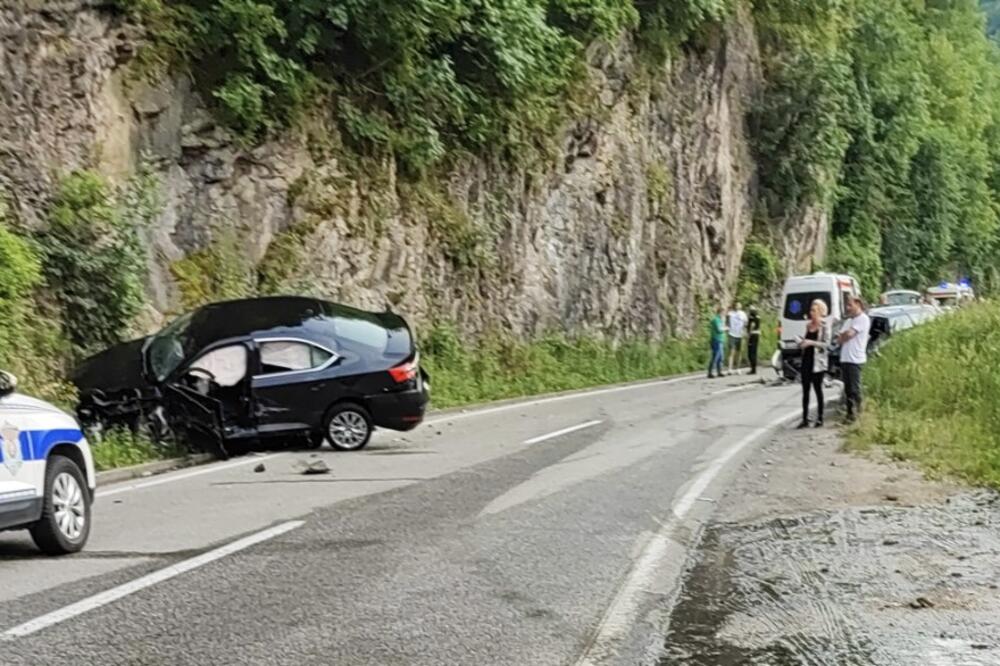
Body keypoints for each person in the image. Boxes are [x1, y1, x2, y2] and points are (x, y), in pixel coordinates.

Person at [796, 299, 832, 428]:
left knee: (818, 389)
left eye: (815, 310)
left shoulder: (824, 326)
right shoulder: (808, 326)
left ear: (821, 312)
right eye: (811, 310)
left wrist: (811, 343)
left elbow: (827, 344)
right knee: (805, 390)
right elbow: (805, 339)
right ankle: (805, 418)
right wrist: (802, 343)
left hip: (818, 361)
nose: (812, 313)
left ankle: (820, 418)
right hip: (807, 359)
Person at [837, 295, 871, 422]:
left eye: (850, 305)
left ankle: (858, 412)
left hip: (855, 358)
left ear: (858, 304)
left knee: (854, 388)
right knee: (847, 389)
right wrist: (844, 335)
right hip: (845, 357)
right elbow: (839, 339)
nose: (848, 308)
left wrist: (845, 335)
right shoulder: (848, 321)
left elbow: (849, 335)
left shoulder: (863, 319)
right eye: (847, 305)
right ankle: (850, 414)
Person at [727, 302, 748, 375]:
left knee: (739, 353)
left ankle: (738, 368)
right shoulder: (730, 313)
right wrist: (728, 330)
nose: (737, 306)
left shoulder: (743, 314)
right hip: (732, 334)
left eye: (738, 305)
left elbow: (745, 324)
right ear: (734, 306)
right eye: (736, 305)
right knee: (731, 352)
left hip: (740, 335)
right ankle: (730, 368)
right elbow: (727, 323)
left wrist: (744, 332)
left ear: (740, 306)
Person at [707, 305, 726, 378]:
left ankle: (719, 371)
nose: (724, 315)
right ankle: (711, 372)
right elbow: (719, 330)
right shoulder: (716, 320)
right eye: (723, 313)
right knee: (715, 356)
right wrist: (725, 328)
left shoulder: (721, 320)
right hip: (716, 340)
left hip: (720, 340)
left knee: (721, 356)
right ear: (720, 312)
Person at [747, 306, 762, 375]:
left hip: (752, 335)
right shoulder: (758, 317)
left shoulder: (752, 318)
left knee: (751, 353)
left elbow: (752, 326)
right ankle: (754, 368)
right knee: (754, 352)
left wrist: (748, 336)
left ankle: (753, 369)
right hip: (757, 335)